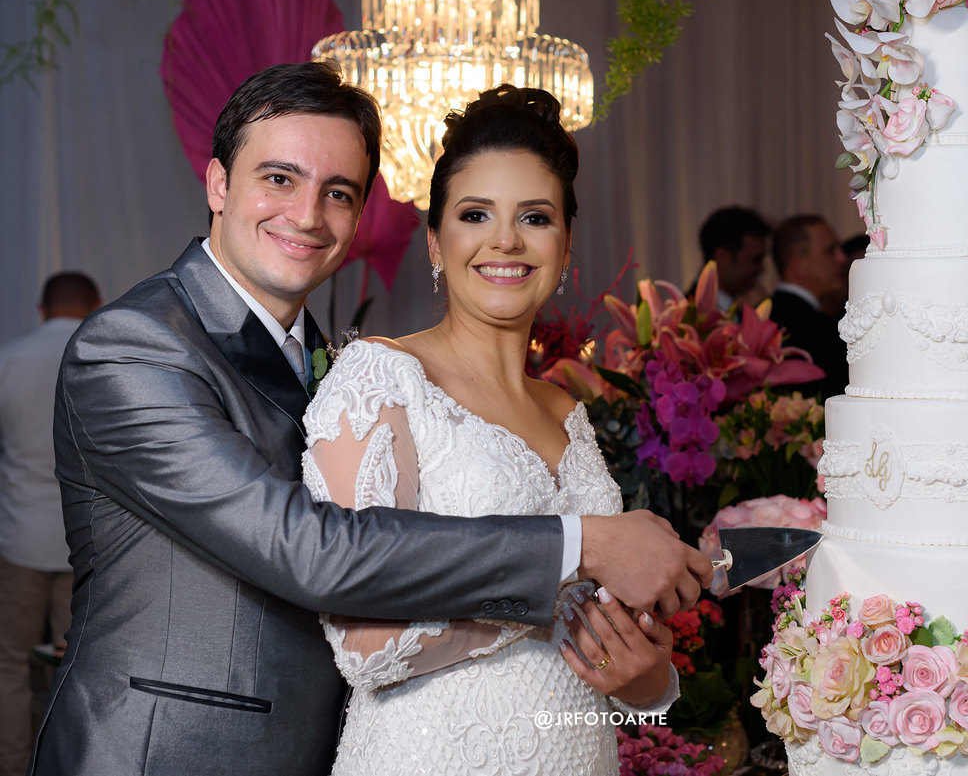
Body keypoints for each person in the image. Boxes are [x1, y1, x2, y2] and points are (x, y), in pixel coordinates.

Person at [31, 62, 710, 776]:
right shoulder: (136, 346)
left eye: (339, 193)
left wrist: (647, 679)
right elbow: (308, 548)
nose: (307, 215)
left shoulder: (327, 358)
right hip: (173, 754)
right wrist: (579, 550)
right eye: (279, 178)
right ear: (219, 185)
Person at [304, 84, 677, 775]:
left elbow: (604, 658)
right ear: (436, 243)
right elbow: (364, 643)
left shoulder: (567, 410)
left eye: (534, 217)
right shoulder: (382, 378)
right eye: (476, 214)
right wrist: (572, 566)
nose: (505, 239)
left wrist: (646, 680)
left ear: (565, 249)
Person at [0, 273, 100, 776]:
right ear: (96, 305)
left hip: (18, 536)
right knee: (82, 668)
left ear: (42, 309)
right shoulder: (104, 356)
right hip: (86, 542)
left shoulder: (9, 359)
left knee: (9, 664)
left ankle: (13, 765)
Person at [768, 214, 849, 399]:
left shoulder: (762, 314)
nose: (842, 258)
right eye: (830, 250)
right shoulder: (817, 330)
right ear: (799, 266)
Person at [690, 206, 769, 310]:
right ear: (722, 257)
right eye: (756, 259)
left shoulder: (742, 307)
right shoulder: (687, 313)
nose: (762, 269)